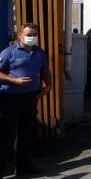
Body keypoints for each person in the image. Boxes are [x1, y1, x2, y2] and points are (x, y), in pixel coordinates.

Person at [0, 23, 52, 178]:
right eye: (29, 34)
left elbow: (44, 70)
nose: (32, 37)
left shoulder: (40, 53)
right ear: (20, 36)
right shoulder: (9, 53)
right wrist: (14, 81)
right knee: (6, 136)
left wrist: (49, 85)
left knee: (26, 134)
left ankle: (23, 167)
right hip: (9, 99)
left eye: (35, 34)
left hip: (30, 98)